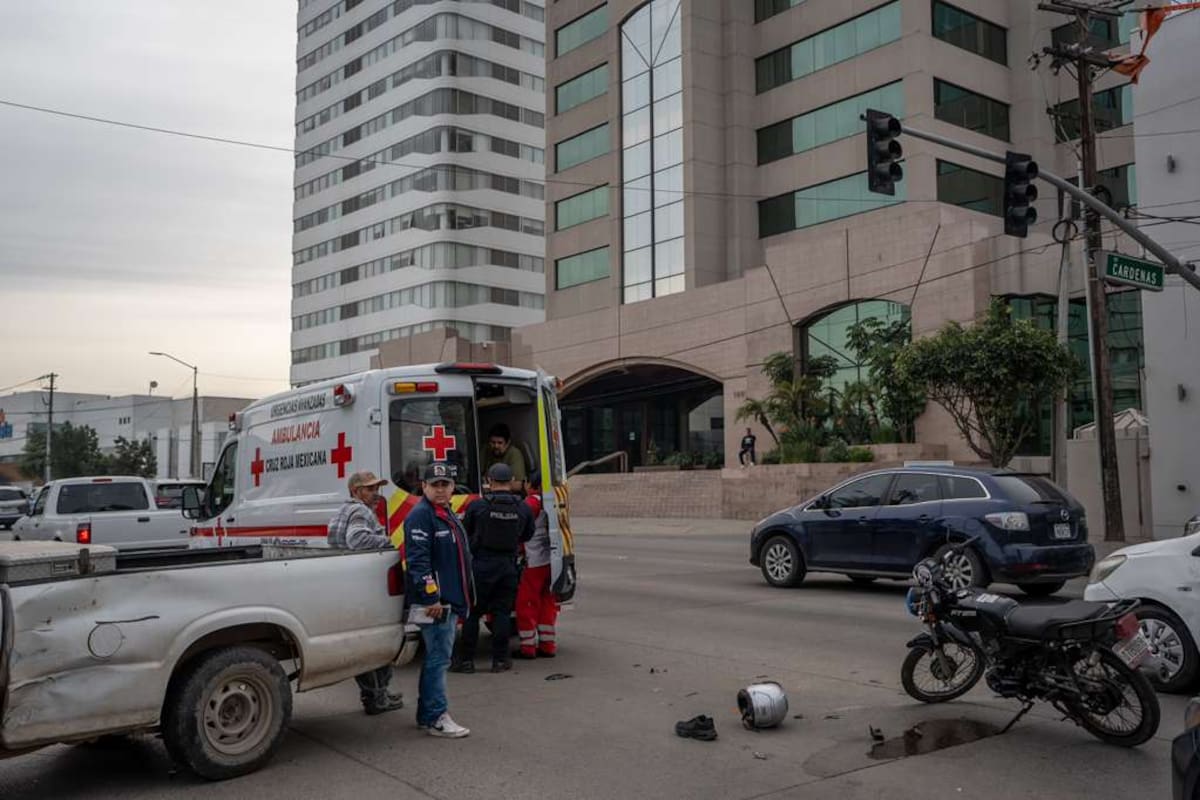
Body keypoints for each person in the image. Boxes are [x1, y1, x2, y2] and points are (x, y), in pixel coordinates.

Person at [404, 461, 473, 738]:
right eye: (435, 485)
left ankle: (427, 715)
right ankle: (436, 717)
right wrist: (431, 596)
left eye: (445, 485)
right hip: (437, 604)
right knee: (439, 660)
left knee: (436, 658)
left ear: (453, 487)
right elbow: (418, 562)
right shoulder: (422, 516)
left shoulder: (445, 512)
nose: (441, 490)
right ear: (424, 487)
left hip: (449, 600)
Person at [327, 470, 405, 716]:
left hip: (348, 585)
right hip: (366, 587)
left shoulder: (343, 510)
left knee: (366, 645)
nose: (375, 493)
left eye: (376, 488)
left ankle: (378, 692)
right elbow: (357, 540)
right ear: (356, 491)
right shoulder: (360, 511)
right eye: (370, 489)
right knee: (378, 643)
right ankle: (377, 697)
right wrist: (390, 543)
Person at [455, 462, 534, 673]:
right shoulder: (523, 507)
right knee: (501, 613)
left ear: (489, 481)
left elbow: (465, 532)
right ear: (511, 482)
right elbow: (527, 535)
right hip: (508, 566)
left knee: (473, 613)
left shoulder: (478, 506)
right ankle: (500, 660)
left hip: (481, 565)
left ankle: (466, 661)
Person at [515, 489, 558, 659]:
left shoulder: (532, 502)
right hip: (551, 560)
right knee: (548, 603)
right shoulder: (553, 499)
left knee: (526, 604)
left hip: (533, 562)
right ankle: (548, 645)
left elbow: (518, 525)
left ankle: (528, 647)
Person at [483, 423, 527, 488]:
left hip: (509, 496)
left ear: (508, 443)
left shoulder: (514, 454)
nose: (496, 446)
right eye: (493, 442)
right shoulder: (486, 450)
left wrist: (489, 486)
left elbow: (518, 485)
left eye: (500, 443)